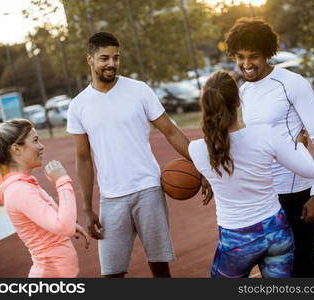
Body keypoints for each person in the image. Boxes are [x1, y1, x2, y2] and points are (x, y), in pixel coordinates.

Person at [67, 32, 209, 278]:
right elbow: (83, 158)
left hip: (149, 190)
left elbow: (171, 131)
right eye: (104, 58)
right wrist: (87, 208)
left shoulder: (139, 90)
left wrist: (201, 167)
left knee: (160, 268)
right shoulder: (78, 105)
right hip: (111, 198)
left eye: (116, 57)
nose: (111, 63)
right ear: (89, 59)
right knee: (111, 273)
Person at [224, 17, 314, 277]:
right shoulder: (244, 92)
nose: (246, 64)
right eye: (240, 56)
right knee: (273, 268)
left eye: (254, 56)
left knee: (304, 263)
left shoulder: (292, 84)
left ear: (268, 53)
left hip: (295, 192)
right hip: (264, 195)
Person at [189, 70, 314, 278]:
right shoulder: (264, 134)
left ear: (205, 105)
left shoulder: (197, 149)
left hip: (237, 240)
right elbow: (309, 170)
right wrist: (300, 146)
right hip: (276, 231)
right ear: (238, 101)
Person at [0, 119, 90, 278]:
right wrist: (62, 180)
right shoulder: (19, 190)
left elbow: (53, 222)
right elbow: (63, 227)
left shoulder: (23, 185)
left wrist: (70, 223)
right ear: (16, 149)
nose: (41, 146)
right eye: (35, 140)